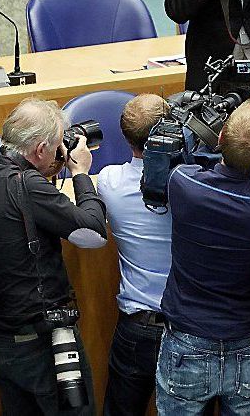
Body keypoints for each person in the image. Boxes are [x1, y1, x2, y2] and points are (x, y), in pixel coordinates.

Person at [155, 97, 250, 415]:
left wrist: (241, 116)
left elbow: (182, 158)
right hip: (247, 345)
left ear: (220, 138)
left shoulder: (184, 184)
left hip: (187, 341)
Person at [0, 98, 107, 415]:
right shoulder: (28, 186)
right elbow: (93, 235)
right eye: (58, 145)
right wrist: (81, 174)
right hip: (43, 342)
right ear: (41, 149)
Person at [99, 94, 171, 416]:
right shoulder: (194, 185)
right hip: (187, 328)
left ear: (125, 137)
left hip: (138, 324)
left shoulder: (108, 183)